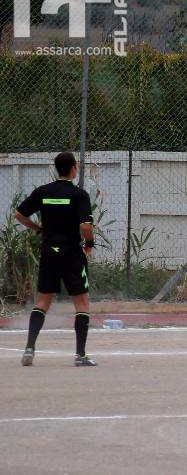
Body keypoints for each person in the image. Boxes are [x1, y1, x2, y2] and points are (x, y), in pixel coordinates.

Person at [14, 152, 97, 367]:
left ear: (56, 168)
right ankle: (80, 355)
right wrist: (89, 244)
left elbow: (19, 214)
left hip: (49, 252)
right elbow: (86, 226)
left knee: (43, 301)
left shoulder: (43, 192)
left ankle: (29, 349)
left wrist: (37, 228)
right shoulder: (79, 195)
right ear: (73, 168)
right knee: (81, 303)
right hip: (71, 253)